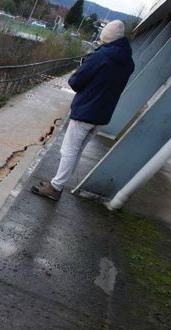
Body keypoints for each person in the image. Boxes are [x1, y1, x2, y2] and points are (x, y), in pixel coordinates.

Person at [31, 20, 135, 201]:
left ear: (105, 37)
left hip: (86, 110)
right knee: (77, 151)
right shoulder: (128, 61)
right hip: (102, 115)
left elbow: (75, 82)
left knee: (68, 150)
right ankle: (58, 183)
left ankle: (55, 187)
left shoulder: (100, 56)